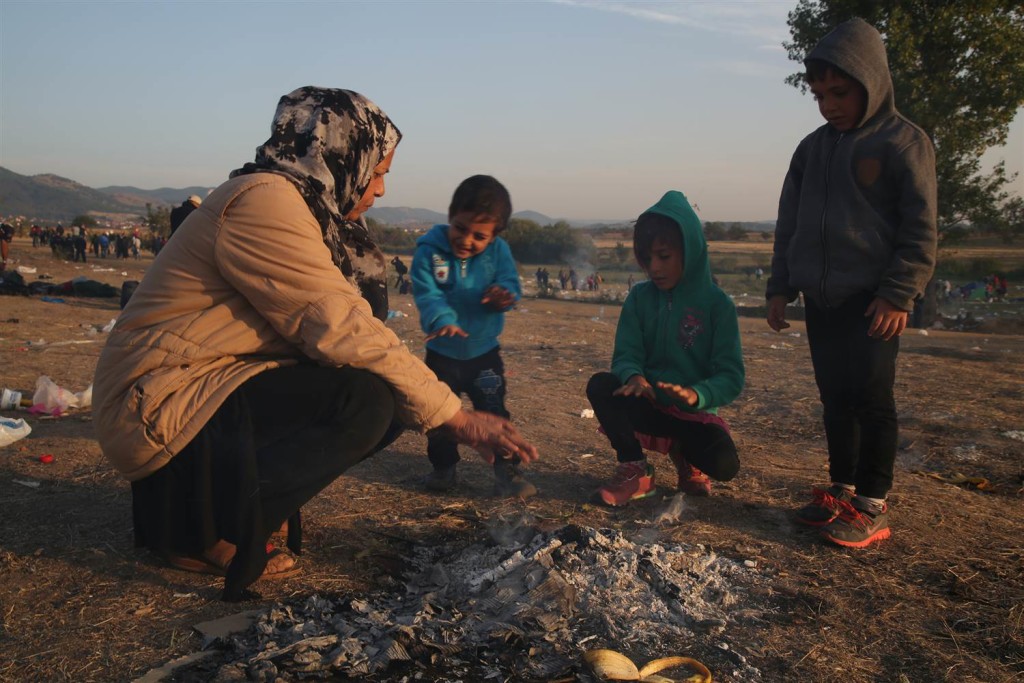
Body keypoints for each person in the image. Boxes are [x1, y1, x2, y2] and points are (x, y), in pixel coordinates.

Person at [92, 87, 538, 602]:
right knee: (365, 399)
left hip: (204, 385)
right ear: (340, 155)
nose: (382, 189)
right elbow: (336, 325)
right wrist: (455, 417)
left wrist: (437, 408)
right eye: (378, 171)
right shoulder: (265, 201)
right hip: (160, 401)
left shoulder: (305, 209)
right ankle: (205, 528)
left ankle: (222, 508)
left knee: (385, 394)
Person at [766, 18, 937, 548]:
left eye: (840, 92)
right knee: (834, 398)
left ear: (872, 82)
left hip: (874, 301)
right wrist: (780, 285)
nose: (829, 105)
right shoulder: (811, 149)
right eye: (820, 95)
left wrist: (898, 291)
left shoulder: (903, 143)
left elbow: (920, 226)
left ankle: (871, 505)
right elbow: (789, 222)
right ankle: (840, 489)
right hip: (822, 297)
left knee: (871, 399)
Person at [586, 191, 744, 506]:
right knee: (602, 385)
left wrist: (699, 394)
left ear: (691, 251)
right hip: (650, 405)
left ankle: (687, 458)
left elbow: (731, 375)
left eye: (664, 256)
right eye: (648, 259)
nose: (654, 268)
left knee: (725, 466)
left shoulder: (717, 305)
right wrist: (633, 377)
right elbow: (626, 353)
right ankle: (635, 470)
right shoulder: (639, 298)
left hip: (693, 415)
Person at [410, 175, 536, 499]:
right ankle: (443, 469)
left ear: (494, 237)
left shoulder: (500, 252)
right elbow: (427, 293)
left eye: (479, 236)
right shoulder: (429, 250)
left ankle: (507, 474)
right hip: (441, 353)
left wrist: (504, 296)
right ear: (451, 216)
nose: (466, 240)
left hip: (484, 355)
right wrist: (444, 319)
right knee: (440, 417)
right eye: (460, 228)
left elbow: (511, 283)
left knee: (494, 414)